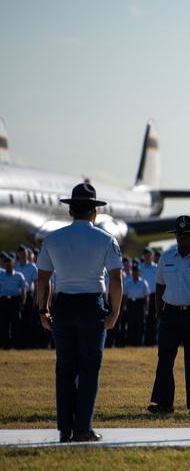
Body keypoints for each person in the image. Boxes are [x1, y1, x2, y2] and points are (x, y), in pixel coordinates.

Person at [36, 183, 123, 443]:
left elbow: (42, 279)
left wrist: (43, 310)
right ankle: (83, 427)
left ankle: (65, 428)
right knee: (89, 368)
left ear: (71, 210)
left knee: (65, 368)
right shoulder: (106, 239)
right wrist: (115, 312)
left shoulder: (52, 239)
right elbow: (116, 280)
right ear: (94, 213)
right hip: (91, 305)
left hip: (63, 305)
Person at [148, 215, 190, 416]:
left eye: (187, 234)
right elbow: (159, 286)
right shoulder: (166, 257)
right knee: (164, 358)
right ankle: (164, 403)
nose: (182, 237)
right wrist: (159, 313)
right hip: (170, 313)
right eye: (179, 234)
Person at [0, 251, 27, 349]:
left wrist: (23, 302)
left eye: (10, 265)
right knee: (4, 323)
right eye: (6, 265)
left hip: (15, 300)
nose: (8, 267)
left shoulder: (18, 276)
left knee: (16, 323)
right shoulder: (1, 276)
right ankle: (6, 344)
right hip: (4, 300)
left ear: (13, 265)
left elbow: (23, 289)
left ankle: (16, 344)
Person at [14, 245, 39, 349]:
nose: (23, 256)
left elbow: (36, 285)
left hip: (29, 295)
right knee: (18, 320)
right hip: (18, 295)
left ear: (27, 255)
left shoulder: (32, 267)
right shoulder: (16, 266)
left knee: (29, 320)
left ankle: (29, 343)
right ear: (18, 255)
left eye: (25, 254)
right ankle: (19, 343)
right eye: (21, 254)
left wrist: (36, 299)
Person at [123, 261, 150, 346]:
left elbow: (146, 297)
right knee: (131, 323)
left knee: (140, 324)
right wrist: (125, 305)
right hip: (131, 303)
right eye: (134, 271)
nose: (135, 273)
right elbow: (125, 296)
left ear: (139, 272)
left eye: (137, 271)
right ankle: (131, 342)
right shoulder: (128, 283)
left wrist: (147, 309)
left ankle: (139, 342)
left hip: (139, 303)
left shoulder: (143, 282)